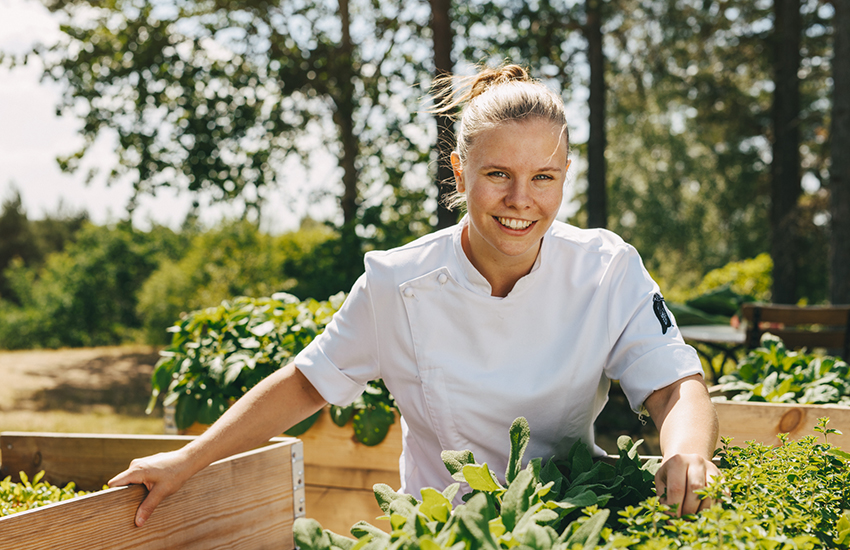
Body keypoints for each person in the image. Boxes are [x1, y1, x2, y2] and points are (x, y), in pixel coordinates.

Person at [109, 64, 719, 527]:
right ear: (460, 173)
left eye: (543, 178)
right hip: (438, 529)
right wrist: (187, 460)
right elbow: (306, 381)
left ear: (564, 179)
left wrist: (686, 453)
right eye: (498, 174)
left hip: (567, 521)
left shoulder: (606, 268)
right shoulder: (397, 283)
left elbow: (672, 384)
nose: (520, 200)